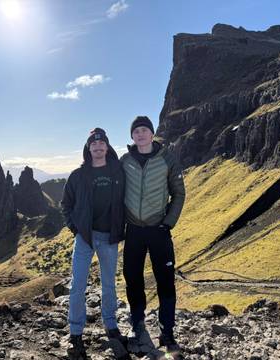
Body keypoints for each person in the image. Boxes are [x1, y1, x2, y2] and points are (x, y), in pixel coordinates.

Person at [120, 116, 186, 352]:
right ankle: (137, 324)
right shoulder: (125, 160)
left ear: (152, 133)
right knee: (133, 278)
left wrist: (168, 223)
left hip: (159, 230)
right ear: (132, 136)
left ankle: (167, 332)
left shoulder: (167, 158)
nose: (140, 134)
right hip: (134, 231)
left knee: (166, 281)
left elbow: (179, 193)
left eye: (144, 130)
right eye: (136, 131)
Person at [61, 127, 127, 358]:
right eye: (93, 144)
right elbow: (66, 204)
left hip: (110, 237)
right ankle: (75, 333)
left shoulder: (118, 171)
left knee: (109, 284)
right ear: (88, 148)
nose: (98, 147)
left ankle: (111, 326)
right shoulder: (78, 176)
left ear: (107, 147)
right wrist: (74, 228)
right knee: (78, 285)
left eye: (101, 144)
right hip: (85, 238)